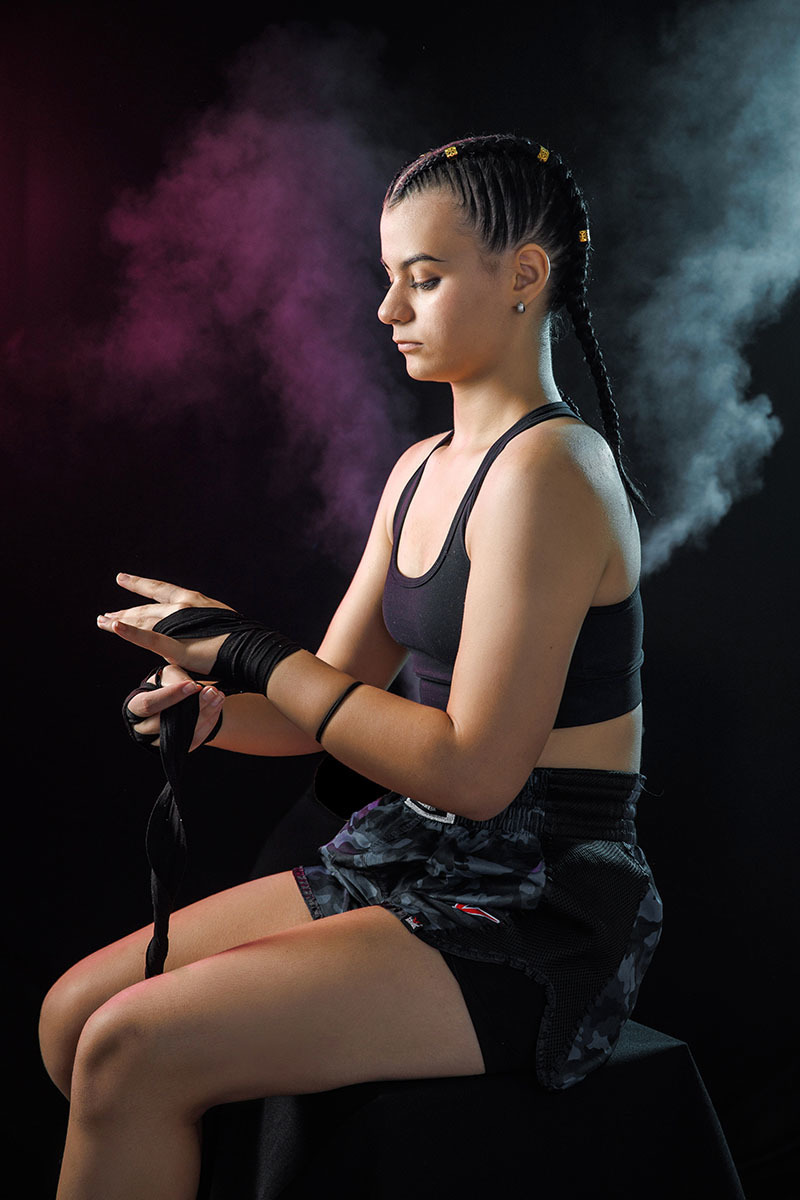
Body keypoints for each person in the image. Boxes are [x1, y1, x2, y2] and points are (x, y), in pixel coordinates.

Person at [39, 133, 662, 1199]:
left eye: (423, 278)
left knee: (128, 1046)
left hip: (536, 908)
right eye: (388, 278)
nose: (387, 309)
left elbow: (473, 774)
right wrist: (215, 707)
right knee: (70, 1017)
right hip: (409, 857)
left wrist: (255, 651)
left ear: (524, 274)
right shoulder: (420, 468)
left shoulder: (553, 472)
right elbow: (325, 700)